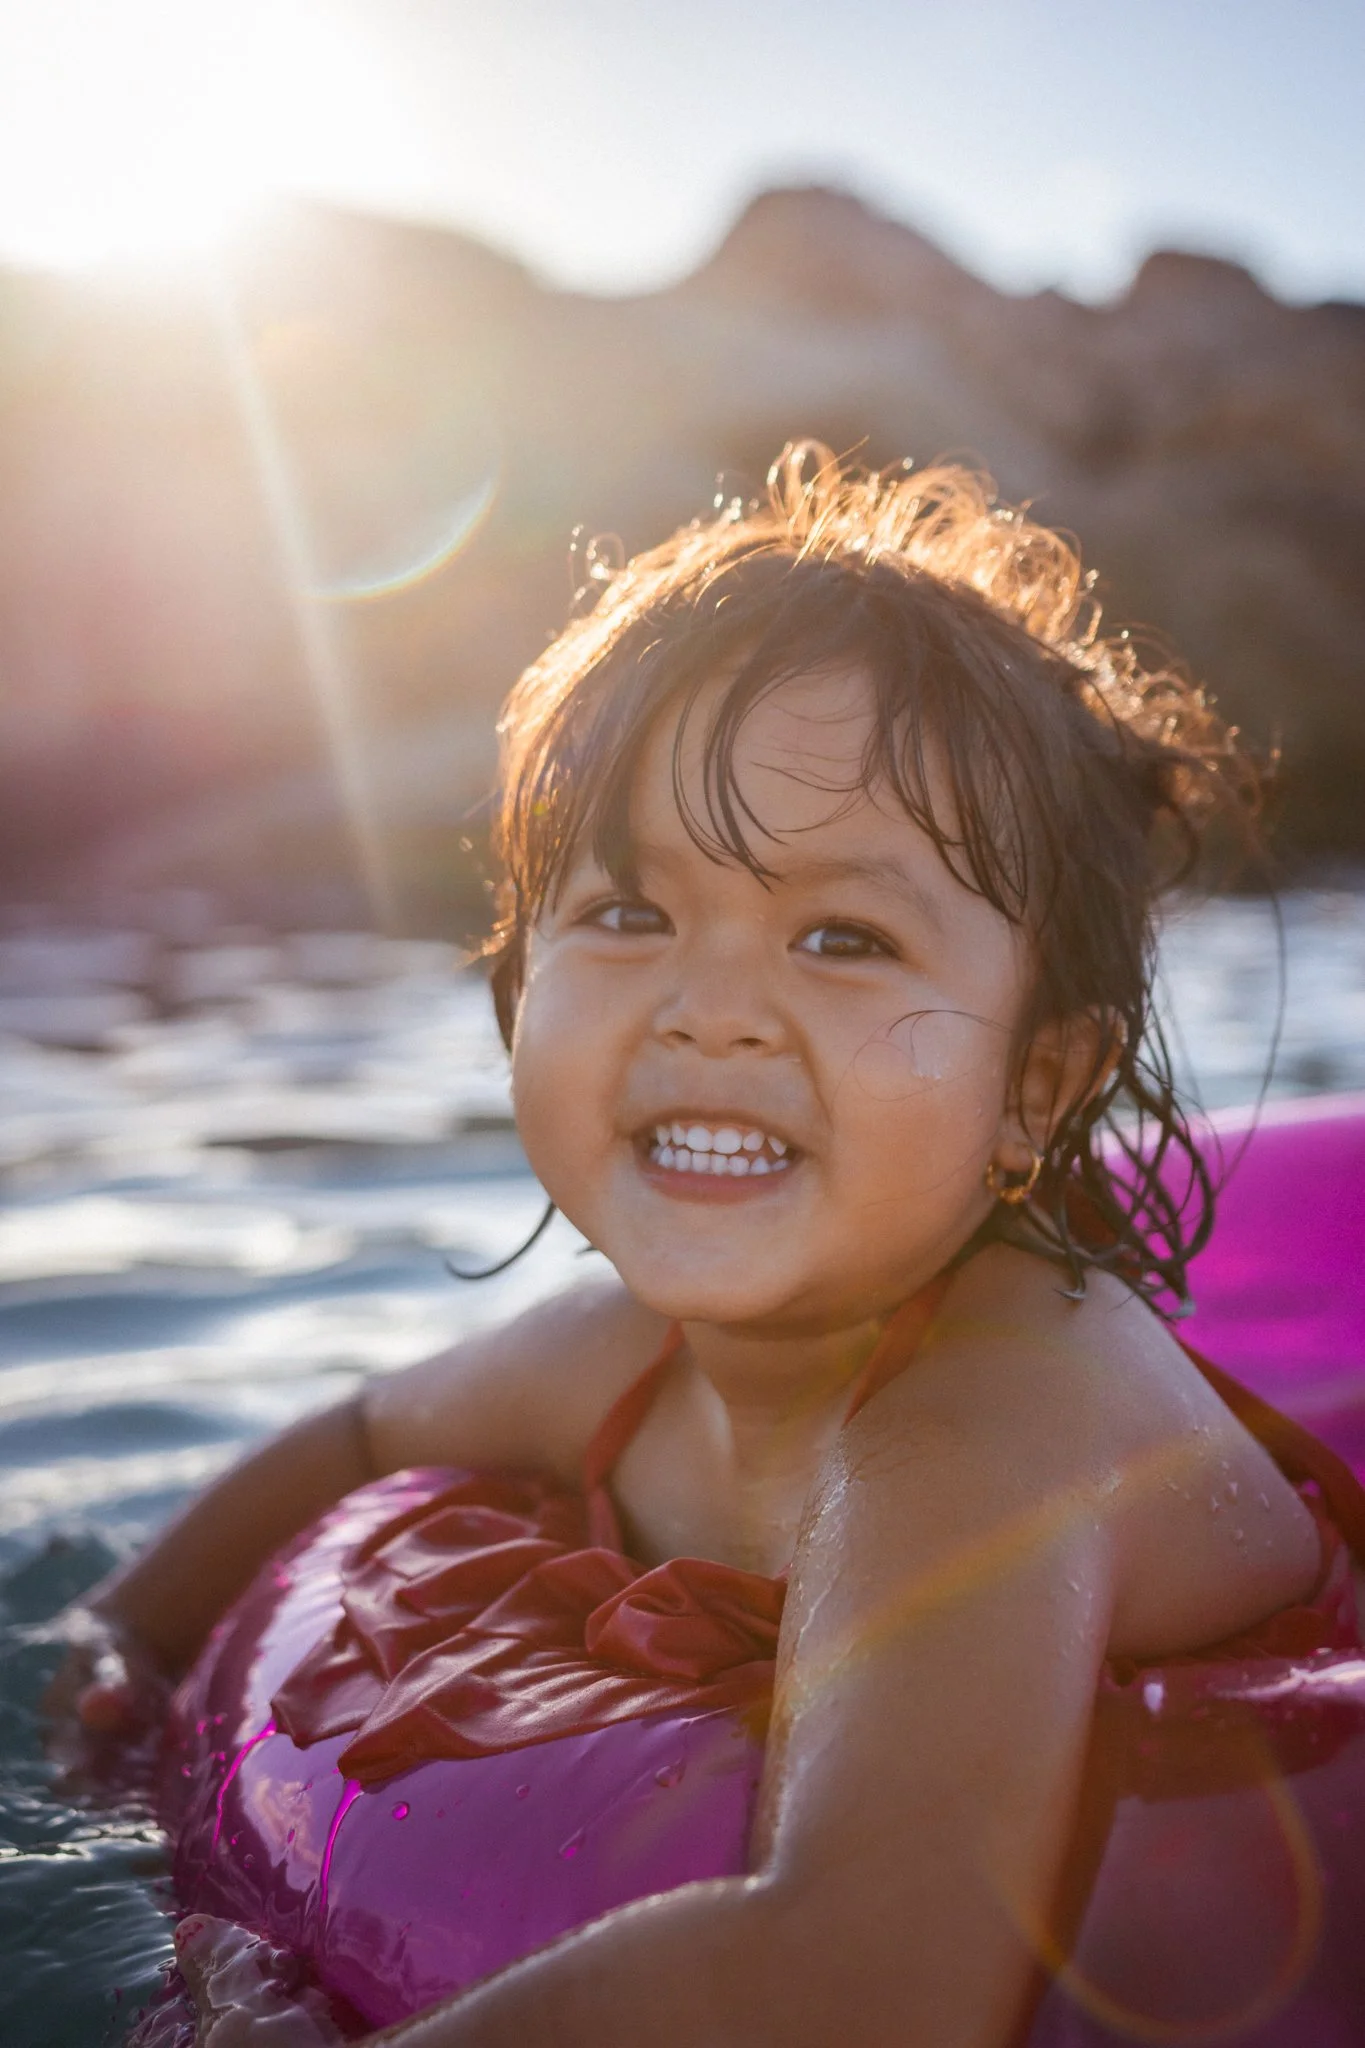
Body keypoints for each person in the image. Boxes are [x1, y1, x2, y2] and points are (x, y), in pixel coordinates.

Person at [48, 445, 1358, 2048]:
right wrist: (117, 1649)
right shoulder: (614, 1358)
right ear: (519, 979)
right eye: (628, 913)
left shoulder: (985, 1426)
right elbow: (362, 1430)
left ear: (1038, 1082)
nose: (713, 1006)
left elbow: (870, 1981)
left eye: (842, 939)